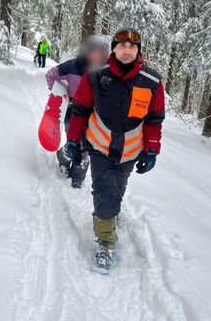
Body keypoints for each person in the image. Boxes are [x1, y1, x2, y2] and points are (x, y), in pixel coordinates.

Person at [63, 27, 165, 273]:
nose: (127, 50)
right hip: (99, 147)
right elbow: (80, 111)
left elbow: (154, 119)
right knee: (105, 192)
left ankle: (107, 214)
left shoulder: (151, 82)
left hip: (130, 152)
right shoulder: (96, 77)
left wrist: (151, 150)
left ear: (138, 51)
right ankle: (106, 243)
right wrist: (73, 140)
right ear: (114, 49)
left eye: (132, 46)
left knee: (117, 190)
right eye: (122, 45)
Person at [45, 34, 109, 188]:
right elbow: (51, 74)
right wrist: (60, 93)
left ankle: (78, 177)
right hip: (72, 111)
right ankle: (63, 160)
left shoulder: (106, 71)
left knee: (87, 146)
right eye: (93, 51)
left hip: (94, 115)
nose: (96, 55)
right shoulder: (73, 65)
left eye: (100, 52)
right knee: (73, 142)